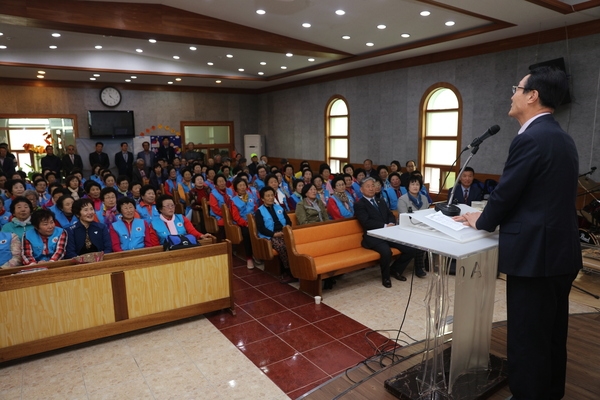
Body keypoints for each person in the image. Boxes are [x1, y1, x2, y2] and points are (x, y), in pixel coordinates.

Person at [454, 66, 581, 400]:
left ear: (532, 95)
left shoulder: (530, 137)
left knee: (527, 338)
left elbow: (508, 192)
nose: (512, 94)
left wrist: (479, 221)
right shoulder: (563, 138)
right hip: (561, 253)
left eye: (517, 88)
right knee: (552, 335)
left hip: (534, 256)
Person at [355, 177, 423, 288]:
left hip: (388, 233)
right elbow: (366, 222)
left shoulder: (380, 200)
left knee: (410, 249)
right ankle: (385, 277)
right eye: (368, 186)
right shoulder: (360, 204)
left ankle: (395, 270)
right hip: (373, 236)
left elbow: (390, 214)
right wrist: (385, 226)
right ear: (361, 190)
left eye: (373, 185)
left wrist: (391, 223)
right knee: (386, 252)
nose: (371, 188)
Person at [255, 187, 294, 283]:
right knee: (282, 246)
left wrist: (285, 231)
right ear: (263, 199)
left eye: (272, 195)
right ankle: (289, 272)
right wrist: (274, 234)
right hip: (270, 236)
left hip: (284, 232)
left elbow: (288, 221)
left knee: (296, 244)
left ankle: (298, 269)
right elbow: (261, 228)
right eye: (268, 196)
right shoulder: (259, 211)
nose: (271, 198)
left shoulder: (279, 208)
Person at [230, 177, 258, 269]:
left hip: (253, 220)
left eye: (244, 185)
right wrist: (245, 223)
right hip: (242, 222)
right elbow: (236, 216)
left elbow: (255, 208)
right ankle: (249, 257)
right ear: (236, 188)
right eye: (240, 185)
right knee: (247, 233)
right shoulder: (234, 200)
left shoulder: (251, 196)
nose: (242, 187)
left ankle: (258, 253)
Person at [209, 174, 231, 240]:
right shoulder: (213, 193)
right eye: (219, 181)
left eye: (223, 181)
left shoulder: (230, 191)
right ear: (216, 184)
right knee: (223, 224)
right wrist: (226, 215)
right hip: (219, 216)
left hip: (231, 214)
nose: (222, 183)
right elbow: (215, 208)